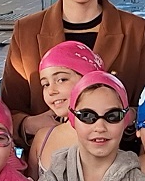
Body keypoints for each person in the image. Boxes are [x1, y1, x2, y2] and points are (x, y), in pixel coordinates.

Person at [2, 0, 145, 147]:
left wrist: (124, 116)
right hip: (49, 158)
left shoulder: (136, 31)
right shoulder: (26, 31)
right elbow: (7, 111)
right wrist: (30, 125)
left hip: (118, 158)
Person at [29, 41, 105, 172]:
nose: (51, 91)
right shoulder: (42, 138)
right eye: (45, 84)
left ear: (90, 80)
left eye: (61, 80)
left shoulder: (107, 134)